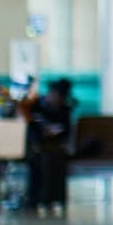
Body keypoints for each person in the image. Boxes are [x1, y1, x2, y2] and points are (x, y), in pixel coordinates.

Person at [22, 78, 75, 217]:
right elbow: (29, 128)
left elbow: (66, 133)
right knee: (40, 158)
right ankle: (38, 198)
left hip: (54, 147)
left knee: (52, 158)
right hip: (36, 146)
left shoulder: (64, 110)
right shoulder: (35, 106)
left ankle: (50, 198)